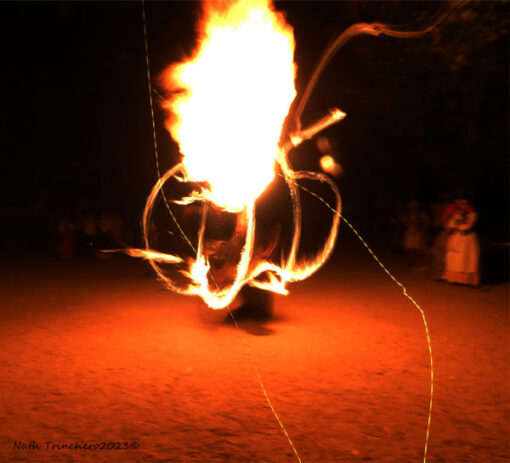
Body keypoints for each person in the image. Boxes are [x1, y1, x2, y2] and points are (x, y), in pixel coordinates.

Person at [442, 197, 480, 287]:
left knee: (467, 259)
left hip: (467, 239)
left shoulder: (473, 214)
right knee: (455, 258)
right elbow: (450, 224)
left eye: (465, 204)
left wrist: (456, 226)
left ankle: (468, 280)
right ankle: (455, 279)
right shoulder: (457, 214)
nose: (462, 206)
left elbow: (467, 226)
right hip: (456, 238)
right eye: (461, 204)